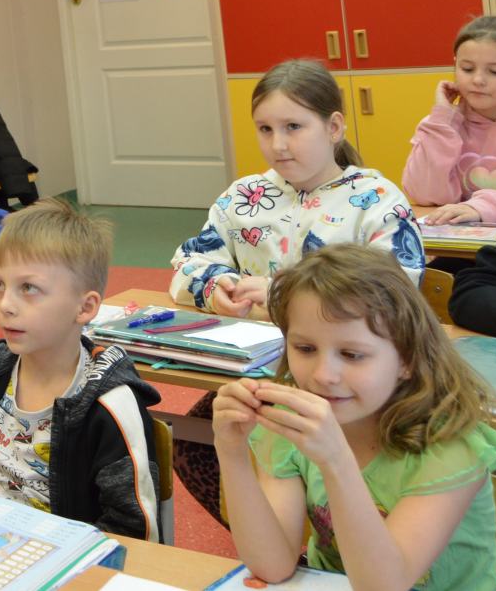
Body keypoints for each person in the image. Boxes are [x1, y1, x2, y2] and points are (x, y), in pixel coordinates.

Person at [166, 58, 424, 522]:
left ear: (334, 127)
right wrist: (215, 285)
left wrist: (280, 295)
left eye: (293, 127)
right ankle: (281, 539)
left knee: (309, 454)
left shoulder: (377, 200)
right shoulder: (243, 198)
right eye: (265, 129)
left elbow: (397, 291)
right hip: (260, 373)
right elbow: (187, 262)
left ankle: (322, 537)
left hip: (345, 380)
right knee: (192, 440)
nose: (278, 144)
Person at [214, 244, 496, 590]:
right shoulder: (292, 422)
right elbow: (273, 566)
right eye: (305, 348)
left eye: (352, 354)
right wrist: (231, 452)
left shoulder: (449, 445)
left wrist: (335, 460)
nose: (323, 375)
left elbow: (384, 586)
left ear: (407, 359)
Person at [0, 198, 162, 540]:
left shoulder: (110, 406)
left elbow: (132, 533)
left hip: (66, 561)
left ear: (84, 307)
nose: (6, 305)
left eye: (28, 288)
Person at [402, 15, 496, 224]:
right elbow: (425, 195)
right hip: (462, 239)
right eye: (467, 69)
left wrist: (480, 207)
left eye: (495, 71)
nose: (478, 80)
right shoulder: (440, 125)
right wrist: (442, 122)